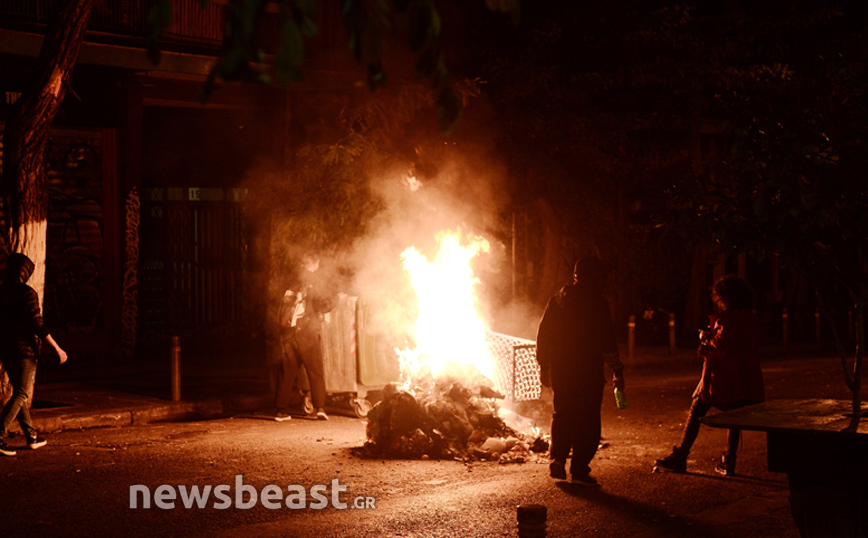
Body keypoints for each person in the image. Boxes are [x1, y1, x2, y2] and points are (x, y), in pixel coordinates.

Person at [654, 274, 764, 476]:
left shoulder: (726, 320)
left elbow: (717, 349)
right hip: (745, 378)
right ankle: (729, 460)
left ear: (725, 297)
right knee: (735, 417)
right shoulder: (751, 318)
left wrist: (704, 339)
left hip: (721, 378)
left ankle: (681, 456)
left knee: (697, 408)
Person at [536, 257, 625, 487]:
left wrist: (543, 366)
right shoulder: (598, 304)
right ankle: (579, 468)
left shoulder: (558, 301)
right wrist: (617, 371)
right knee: (588, 420)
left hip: (562, 371)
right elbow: (608, 342)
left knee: (562, 414)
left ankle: (557, 459)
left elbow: (543, 335)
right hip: (588, 372)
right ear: (593, 278)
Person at [0, 253, 68, 456]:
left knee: (19, 393)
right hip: (24, 351)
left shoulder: (1, 291)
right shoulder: (26, 293)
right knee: (21, 393)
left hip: (5, 349)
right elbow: (36, 323)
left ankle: (31, 435)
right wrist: (56, 347)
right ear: (26, 272)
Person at [274, 254, 338, 421]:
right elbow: (321, 305)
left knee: (287, 373)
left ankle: (281, 411)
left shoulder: (290, 280)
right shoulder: (313, 281)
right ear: (315, 263)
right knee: (315, 371)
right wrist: (336, 299)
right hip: (307, 333)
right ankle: (320, 408)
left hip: (289, 333)